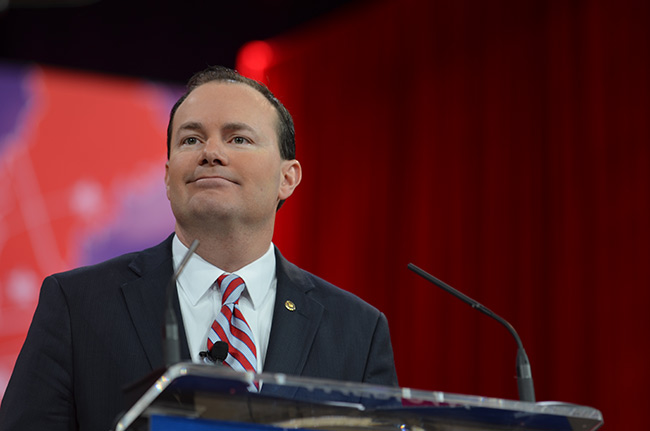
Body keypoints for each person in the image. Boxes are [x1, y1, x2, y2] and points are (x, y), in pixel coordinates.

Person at [0, 66, 397, 430]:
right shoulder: (77, 304)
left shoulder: (357, 332)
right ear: (169, 176)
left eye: (238, 138)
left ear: (287, 178)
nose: (211, 153)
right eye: (191, 139)